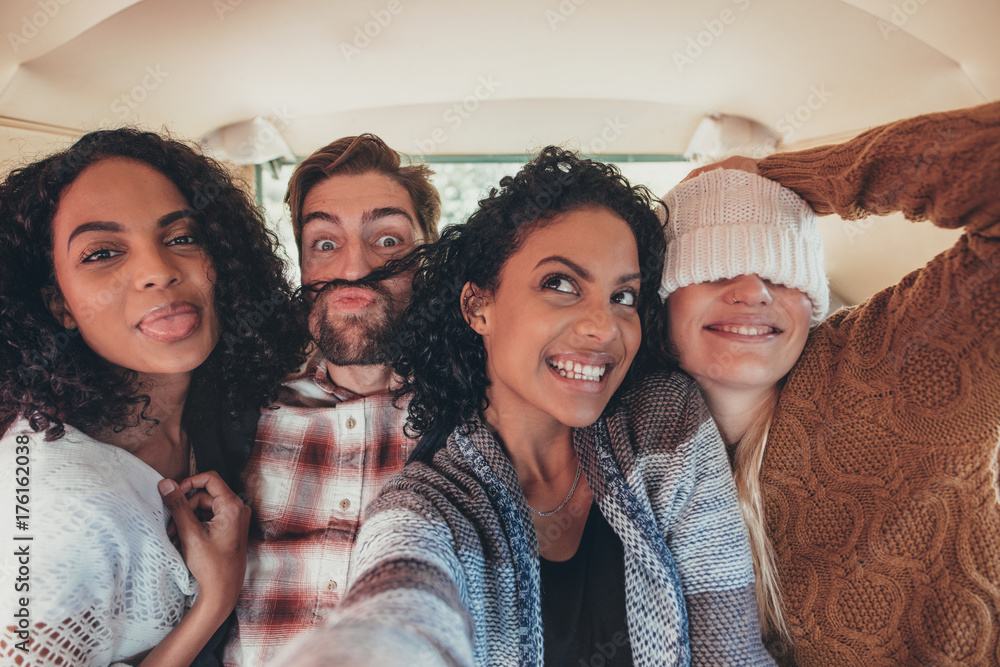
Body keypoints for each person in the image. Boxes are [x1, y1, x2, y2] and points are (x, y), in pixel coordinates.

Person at [271, 147, 775, 666]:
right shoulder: (428, 502)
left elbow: (731, 645)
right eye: (559, 284)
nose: (603, 327)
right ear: (477, 306)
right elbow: (401, 605)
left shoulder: (663, 423)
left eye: (623, 297)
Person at [658, 101, 1000, 665]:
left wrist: (792, 178)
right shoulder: (623, 444)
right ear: (662, 302)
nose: (753, 291)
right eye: (715, 268)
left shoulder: (892, 365)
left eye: (779, 271)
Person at [0, 128, 307, 666]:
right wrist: (214, 600)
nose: (159, 270)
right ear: (59, 307)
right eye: (102, 253)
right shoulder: (61, 502)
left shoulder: (217, 408)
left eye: (182, 237)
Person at [223, 134, 441, 666]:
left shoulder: (477, 413)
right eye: (325, 243)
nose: (353, 269)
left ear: (427, 259)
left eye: (387, 241)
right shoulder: (234, 402)